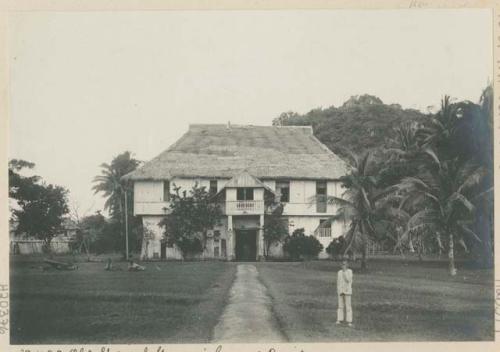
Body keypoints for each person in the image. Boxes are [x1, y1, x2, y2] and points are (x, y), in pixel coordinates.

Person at [336, 259, 353, 327]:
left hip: (347, 291)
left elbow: (348, 280)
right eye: (342, 264)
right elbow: (338, 282)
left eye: (345, 264)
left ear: (347, 265)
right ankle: (339, 319)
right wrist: (338, 290)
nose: (343, 266)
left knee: (348, 306)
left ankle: (349, 321)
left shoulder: (350, 271)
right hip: (341, 291)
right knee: (340, 306)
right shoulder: (339, 272)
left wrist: (345, 272)